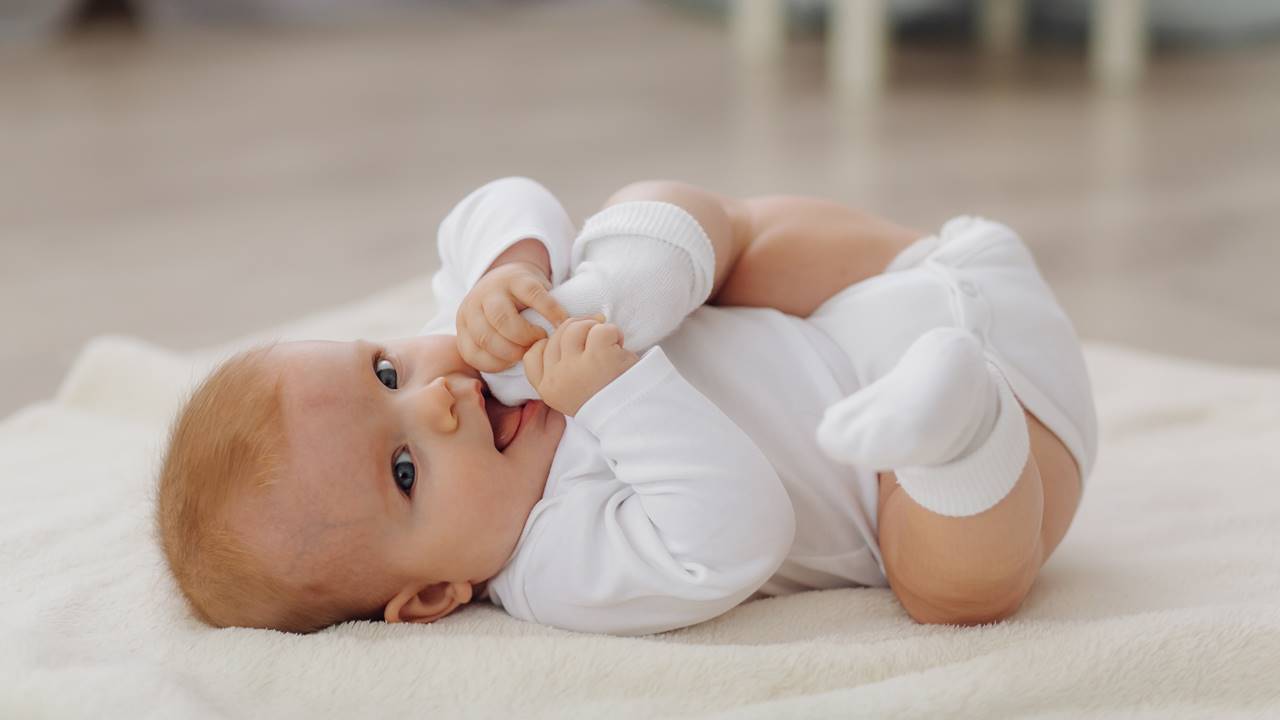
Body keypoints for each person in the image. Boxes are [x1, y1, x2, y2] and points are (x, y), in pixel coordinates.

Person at [156, 176, 1095, 635]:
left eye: (383, 373)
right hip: (998, 456)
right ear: (437, 594)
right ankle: (956, 422)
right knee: (948, 589)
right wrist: (616, 393)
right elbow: (738, 534)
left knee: (712, 233)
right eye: (404, 472)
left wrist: (515, 267)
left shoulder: (479, 332)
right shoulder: (555, 565)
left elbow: (502, 199)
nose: (439, 399)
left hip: (889, 286)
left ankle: (647, 271)